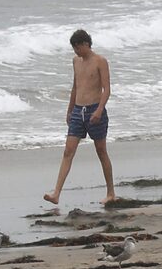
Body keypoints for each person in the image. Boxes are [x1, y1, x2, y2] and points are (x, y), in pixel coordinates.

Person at [43, 28, 115, 207]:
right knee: (68, 151)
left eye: (77, 47)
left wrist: (99, 110)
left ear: (86, 44)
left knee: (101, 151)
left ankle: (111, 193)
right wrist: (69, 110)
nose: (76, 51)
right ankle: (56, 193)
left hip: (95, 110)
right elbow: (75, 88)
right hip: (78, 111)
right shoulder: (76, 61)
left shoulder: (100, 61)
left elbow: (107, 89)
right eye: (73, 48)